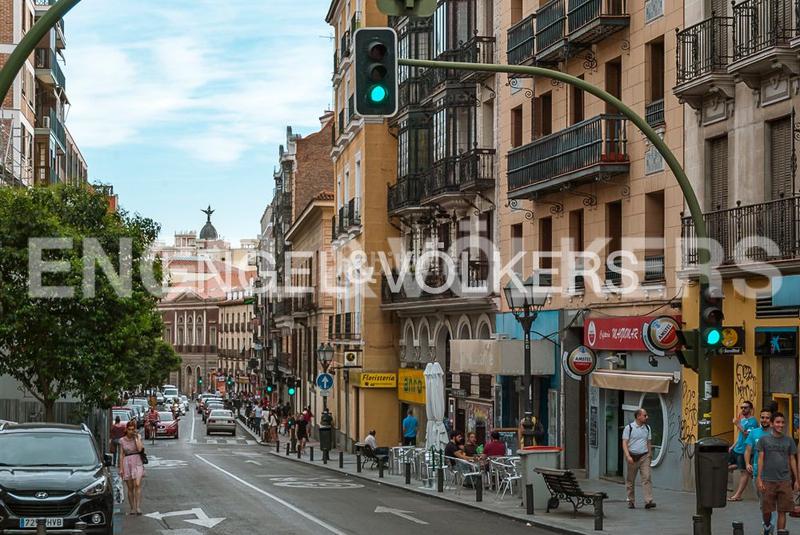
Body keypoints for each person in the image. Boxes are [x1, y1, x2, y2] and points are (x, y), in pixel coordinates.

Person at [757, 412, 799, 535]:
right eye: (778, 422)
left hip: (785, 480)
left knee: (782, 511)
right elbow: (760, 459)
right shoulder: (764, 440)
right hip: (768, 480)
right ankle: (767, 525)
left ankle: (780, 532)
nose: (780, 425)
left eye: (782, 422)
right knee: (767, 511)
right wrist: (759, 478)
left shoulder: (789, 440)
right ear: (772, 424)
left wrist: (797, 479)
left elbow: (792, 459)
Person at [746, 408, 777, 533]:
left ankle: (769, 528)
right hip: (757, 474)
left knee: (772, 502)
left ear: (771, 420)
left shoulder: (775, 434)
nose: (764, 420)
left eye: (767, 418)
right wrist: (747, 463)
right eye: (762, 417)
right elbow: (748, 450)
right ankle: (767, 525)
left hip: (773, 474)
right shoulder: (754, 433)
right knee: (763, 503)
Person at [621, 408, 655, 509]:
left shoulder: (647, 428)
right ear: (638, 416)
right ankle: (631, 500)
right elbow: (624, 443)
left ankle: (648, 501)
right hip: (632, 456)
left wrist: (649, 454)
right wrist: (628, 456)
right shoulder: (629, 428)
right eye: (645, 415)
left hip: (644, 456)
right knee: (630, 480)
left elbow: (648, 442)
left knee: (647, 477)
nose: (647, 417)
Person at [729, 400, 758, 501]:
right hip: (738, 448)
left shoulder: (752, 422)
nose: (743, 409)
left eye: (745, 408)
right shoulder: (743, 420)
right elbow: (740, 435)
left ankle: (738, 495)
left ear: (751, 409)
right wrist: (732, 446)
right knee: (728, 465)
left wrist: (737, 424)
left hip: (745, 451)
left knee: (744, 472)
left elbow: (748, 434)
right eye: (742, 407)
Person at [118, 420, 145, 515]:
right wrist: (121, 468)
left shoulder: (137, 437)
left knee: (137, 484)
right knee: (130, 487)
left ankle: (138, 507)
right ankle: (132, 508)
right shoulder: (122, 440)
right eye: (129, 429)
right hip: (127, 462)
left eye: (133, 429)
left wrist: (137, 438)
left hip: (137, 461)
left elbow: (140, 449)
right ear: (126, 429)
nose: (131, 431)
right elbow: (121, 455)